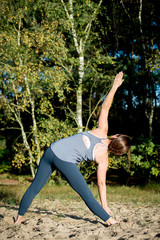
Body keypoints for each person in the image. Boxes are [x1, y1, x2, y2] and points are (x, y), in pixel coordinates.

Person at [14, 71, 131, 226]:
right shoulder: (104, 159)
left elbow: (105, 107)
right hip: (64, 161)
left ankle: (18, 219)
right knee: (86, 195)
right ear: (117, 152)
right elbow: (101, 184)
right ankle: (110, 221)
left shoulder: (102, 130)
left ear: (115, 136)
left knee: (35, 187)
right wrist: (105, 205)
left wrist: (115, 86)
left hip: (52, 150)